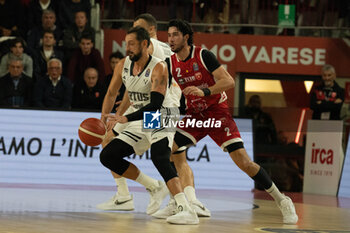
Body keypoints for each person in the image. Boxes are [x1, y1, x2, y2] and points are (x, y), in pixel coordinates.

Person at [151, 19, 298, 225]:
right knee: (170, 150)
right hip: (195, 116)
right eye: (168, 35)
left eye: (175, 35)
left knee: (244, 163)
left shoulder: (203, 55)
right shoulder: (170, 62)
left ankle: (282, 200)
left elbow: (229, 81)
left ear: (186, 37)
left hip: (218, 114)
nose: (171, 39)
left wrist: (204, 91)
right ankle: (182, 201)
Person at [97, 13, 209, 218]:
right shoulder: (124, 64)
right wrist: (106, 117)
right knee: (107, 152)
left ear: (147, 42)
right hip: (141, 108)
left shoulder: (158, 60)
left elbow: (156, 104)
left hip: (165, 107)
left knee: (162, 156)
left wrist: (125, 118)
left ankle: (186, 205)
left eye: (132, 43)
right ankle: (151, 188)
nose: (127, 47)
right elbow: (115, 92)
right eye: (126, 43)